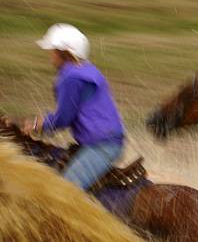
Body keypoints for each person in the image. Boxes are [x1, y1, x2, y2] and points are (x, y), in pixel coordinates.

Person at [21, 23, 125, 190]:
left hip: (101, 146)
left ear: (64, 52)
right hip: (108, 140)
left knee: (64, 192)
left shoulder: (71, 78)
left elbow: (65, 118)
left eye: (52, 50)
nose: (50, 54)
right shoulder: (88, 69)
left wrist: (39, 124)